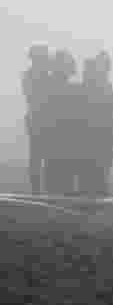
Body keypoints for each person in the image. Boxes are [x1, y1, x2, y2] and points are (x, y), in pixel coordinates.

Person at [39, 50, 82, 195]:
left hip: (60, 143)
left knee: (59, 181)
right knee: (59, 182)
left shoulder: (50, 85)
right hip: (59, 142)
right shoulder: (58, 87)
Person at [79, 56, 113, 197]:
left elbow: (112, 119)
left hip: (98, 141)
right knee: (95, 178)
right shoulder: (101, 89)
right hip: (95, 141)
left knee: (95, 178)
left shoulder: (102, 88)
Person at [22, 44, 51, 195]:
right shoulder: (36, 76)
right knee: (38, 158)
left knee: (39, 158)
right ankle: (37, 191)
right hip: (39, 120)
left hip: (39, 120)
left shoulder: (33, 75)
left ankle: (39, 191)